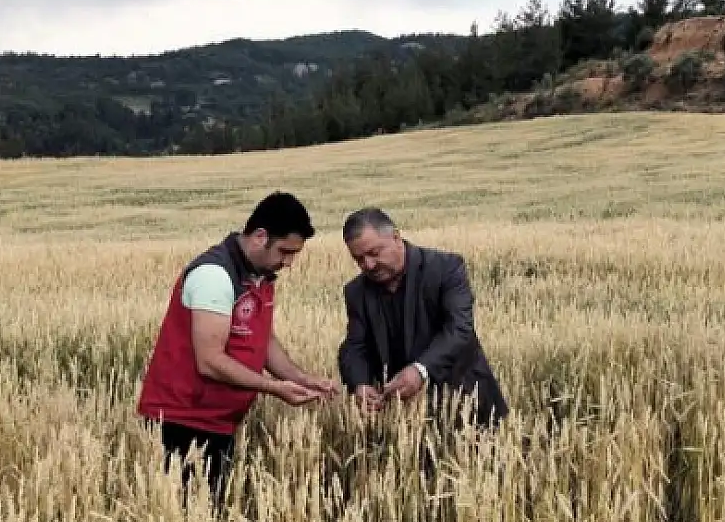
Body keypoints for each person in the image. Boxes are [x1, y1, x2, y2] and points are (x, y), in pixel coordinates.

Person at [136, 192, 337, 503]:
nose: (289, 263)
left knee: (210, 519)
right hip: (181, 422)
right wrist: (273, 387)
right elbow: (211, 361)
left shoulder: (260, 276)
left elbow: (261, 339)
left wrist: (300, 378)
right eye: (285, 252)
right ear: (260, 237)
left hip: (218, 422)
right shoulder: (214, 276)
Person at [338, 208, 507, 427]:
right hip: (401, 418)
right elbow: (354, 346)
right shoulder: (356, 291)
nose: (368, 265)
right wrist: (359, 384)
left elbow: (459, 329)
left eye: (374, 253)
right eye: (359, 259)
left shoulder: (446, 268)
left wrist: (421, 370)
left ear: (396, 237)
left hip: (465, 403)